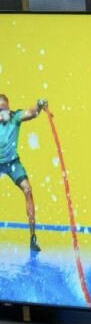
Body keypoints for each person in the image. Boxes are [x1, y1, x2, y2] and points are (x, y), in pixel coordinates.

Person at [0, 93, 49, 249]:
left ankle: (33, 238)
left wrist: (39, 104)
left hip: (13, 163)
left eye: (4, 108)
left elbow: (32, 113)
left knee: (27, 189)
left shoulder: (15, 117)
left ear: (9, 107)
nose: (2, 112)